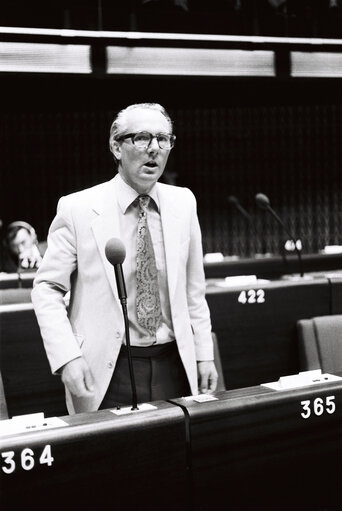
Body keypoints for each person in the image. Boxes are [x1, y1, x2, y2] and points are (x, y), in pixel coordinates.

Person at [31, 102, 218, 414]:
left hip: (175, 363)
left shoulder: (183, 202)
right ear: (116, 147)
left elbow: (193, 290)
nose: (154, 149)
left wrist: (204, 354)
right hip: (108, 368)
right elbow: (46, 288)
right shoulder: (78, 208)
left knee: (177, 456)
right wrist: (66, 357)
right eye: (142, 138)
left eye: (163, 139)